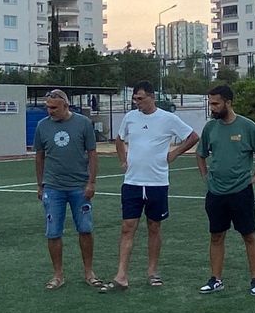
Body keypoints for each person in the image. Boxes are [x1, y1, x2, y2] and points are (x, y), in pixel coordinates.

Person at [105, 82, 198, 289]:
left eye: (140, 98)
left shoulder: (168, 118)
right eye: (135, 99)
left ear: (151, 97)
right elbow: (120, 139)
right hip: (132, 182)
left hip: (157, 183)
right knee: (127, 227)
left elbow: (193, 137)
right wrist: (123, 160)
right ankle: (121, 275)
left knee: (154, 227)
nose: (136, 103)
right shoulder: (130, 117)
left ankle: (153, 272)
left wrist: (174, 153)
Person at [196, 83, 255, 295]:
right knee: (216, 236)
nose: (212, 107)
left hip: (241, 192)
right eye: (210, 103)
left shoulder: (247, 126)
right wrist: (205, 177)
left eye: (216, 103)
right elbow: (200, 154)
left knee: (249, 235)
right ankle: (216, 279)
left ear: (228, 103)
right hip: (215, 193)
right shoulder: (210, 128)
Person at [32, 88, 100, 290]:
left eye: (54, 107)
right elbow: (39, 156)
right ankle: (58, 275)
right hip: (53, 188)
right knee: (53, 232)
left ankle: (89, 272)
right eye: (48, 107)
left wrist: (91, 182)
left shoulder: (83, 123)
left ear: (65, 105)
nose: (50, 111)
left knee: (85, 229)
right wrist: (40, 185)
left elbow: (92, 153)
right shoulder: (42, 126)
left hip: (79, 186)